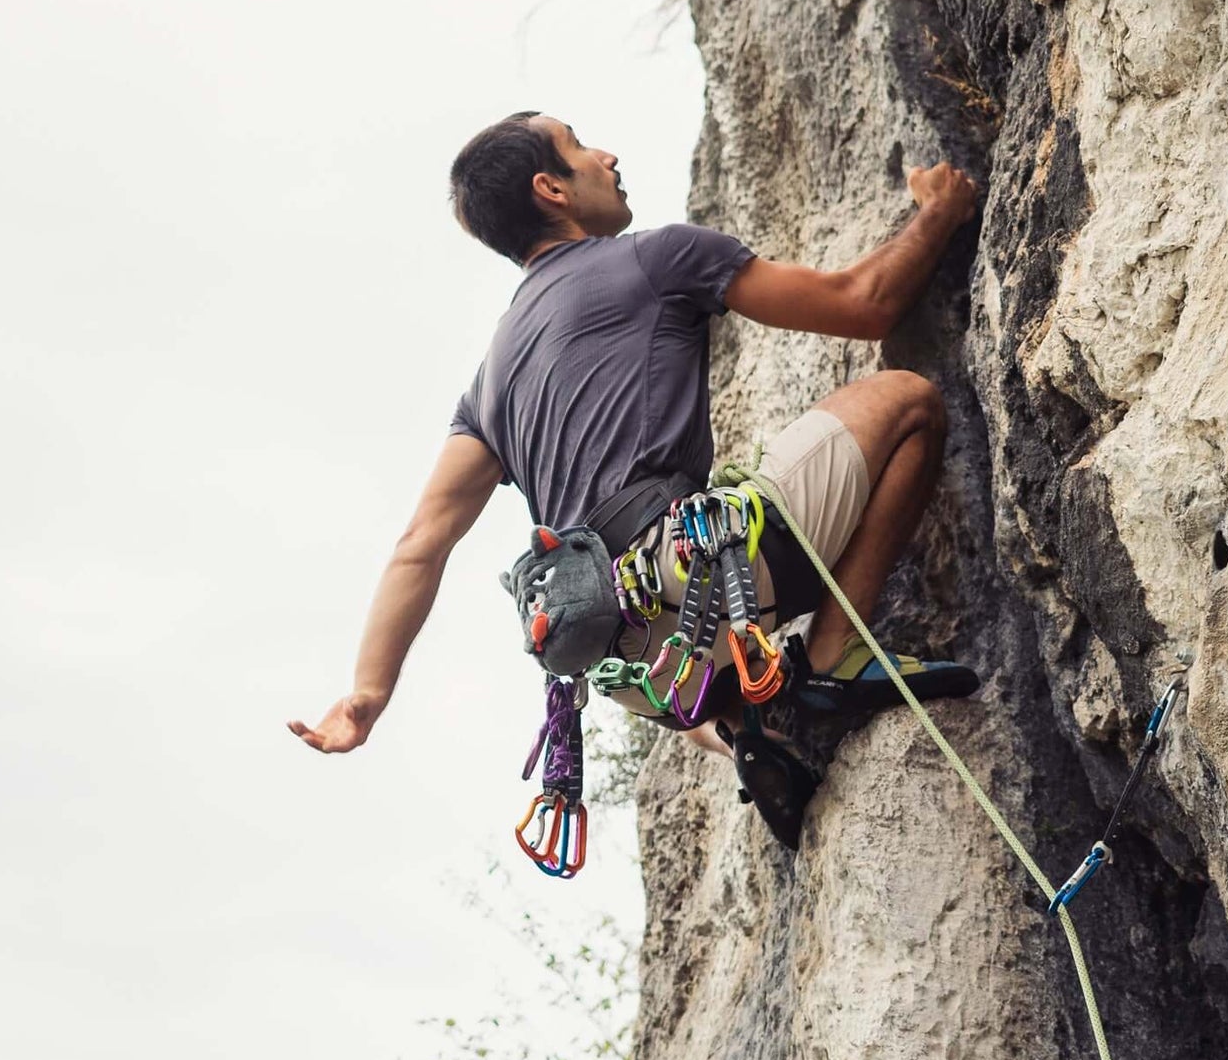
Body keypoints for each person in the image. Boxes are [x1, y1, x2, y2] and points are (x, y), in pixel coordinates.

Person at [288, 110, 981, 840]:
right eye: (581, 146)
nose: (608, 156)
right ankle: (837, 655)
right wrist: (939, 211)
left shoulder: (488, 383)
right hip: (701, 578)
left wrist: (368, 693)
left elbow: (420, 542)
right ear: (551, 189)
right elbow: (863, 304)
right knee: (905, 402)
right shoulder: (655, 258)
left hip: (635, 672)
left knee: (663, 639)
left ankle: (749, 727)